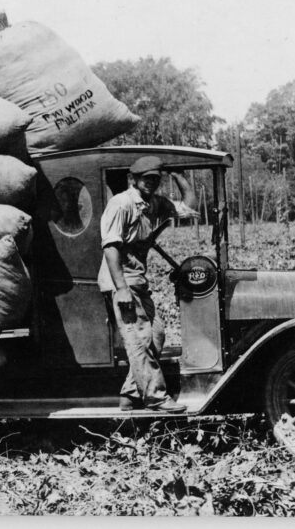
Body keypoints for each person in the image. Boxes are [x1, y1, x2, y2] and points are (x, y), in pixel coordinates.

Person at [99, 156, 198, 413]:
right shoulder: (121, 204)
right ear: (133, 179)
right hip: (121, 280)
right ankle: (156, 397)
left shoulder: (153, 204)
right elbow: (111, 247)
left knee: (156, 332)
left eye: (156, 179)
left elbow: (188, 208)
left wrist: (178, 176)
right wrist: (121, 289)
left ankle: (131, 394)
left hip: (137, 280)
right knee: (139, 338)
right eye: (146, 179)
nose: (151, 183)